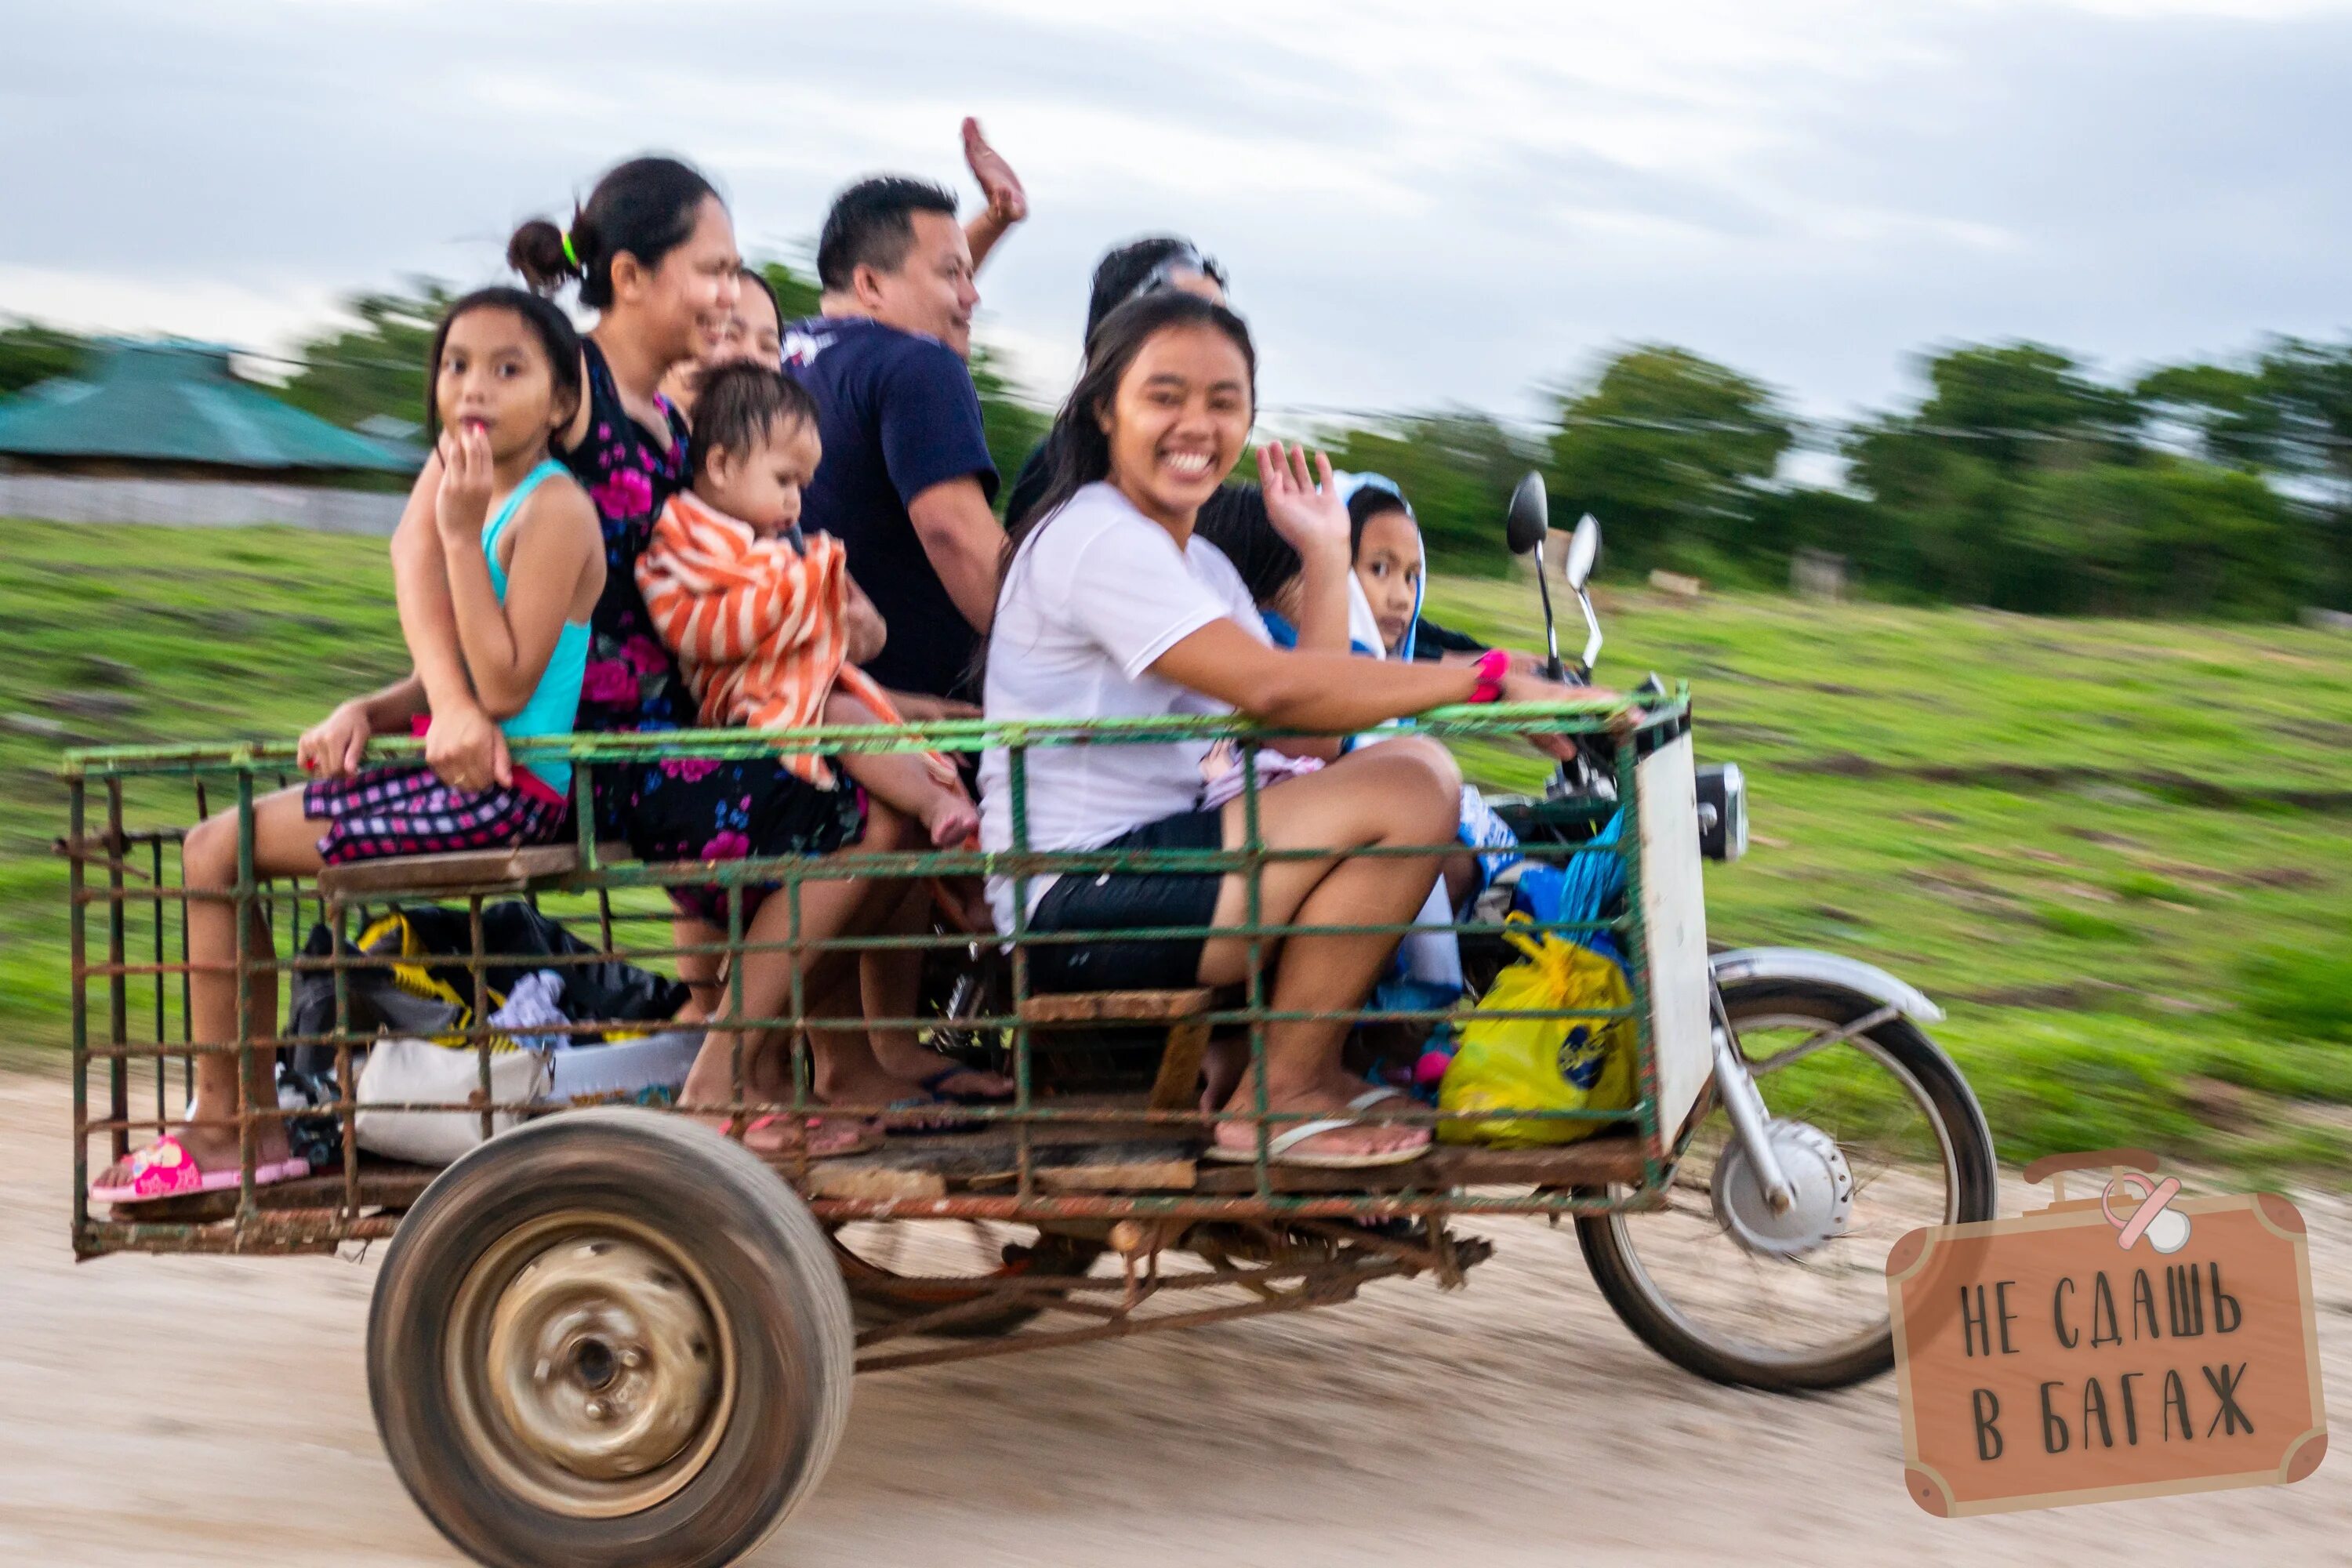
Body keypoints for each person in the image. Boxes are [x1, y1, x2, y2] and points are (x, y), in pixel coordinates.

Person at [376, 156, 963, 1155]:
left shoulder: (669, 413)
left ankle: (824, 1058)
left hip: (671, 719)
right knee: (866, 808)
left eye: (735, 272)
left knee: (903, 770)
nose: (731, 293)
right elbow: (417, 535)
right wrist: (452, 703)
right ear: (635, 275)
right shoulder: (566, 388)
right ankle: (731, 1067)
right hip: (590, 733)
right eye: (713, 268)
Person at [979, 290, 1603, 1170]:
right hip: (1080, 897)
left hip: (1152, 865)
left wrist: (1321, 549)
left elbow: (1310, 734)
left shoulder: (1189, 557)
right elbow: (1278, 687)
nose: (1195, 423)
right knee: (1415, 777)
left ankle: (1311, 1071)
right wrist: (1488, 681)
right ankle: (1281, 1089)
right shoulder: (1097, 538)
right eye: (1165, 395)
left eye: (1223, 401)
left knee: (1402, 775)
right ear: (1101, 407)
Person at [91, 289, 604, 1202]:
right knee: (221, 847)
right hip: (476, 772)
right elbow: (451, 676)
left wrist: (453, 532)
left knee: (219, 846)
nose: (473, 389)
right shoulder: (492, 497)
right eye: (456, 366)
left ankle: (232, 1125)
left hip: (507, 792)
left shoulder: (551, 509)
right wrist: (367, 705)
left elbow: (505, 687)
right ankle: (242, 1116)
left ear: (563, 403)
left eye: (507, 368)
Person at [638, 361, 978, 849]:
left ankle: (956, 855)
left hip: (787, 686)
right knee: (843, 712)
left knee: (870, 716)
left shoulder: (772, 547)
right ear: (720, 466)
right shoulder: (685, 538)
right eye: (784, 481)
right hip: (741, 699)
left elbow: (824, 624)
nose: (796, 502)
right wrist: (801, 588)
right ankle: (936, 804)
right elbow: (692, 629)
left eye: (803, 485)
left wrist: (812, 594)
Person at [780, 176, 1007, 702]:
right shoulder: (922, 364)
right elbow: (954, 535)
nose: (972, 296)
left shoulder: (786, 349)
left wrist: (993, 222)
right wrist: (1067, 654)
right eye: (954, 275)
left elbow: (911, 275)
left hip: (808, 710)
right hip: (914, 737)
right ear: (871, 287)